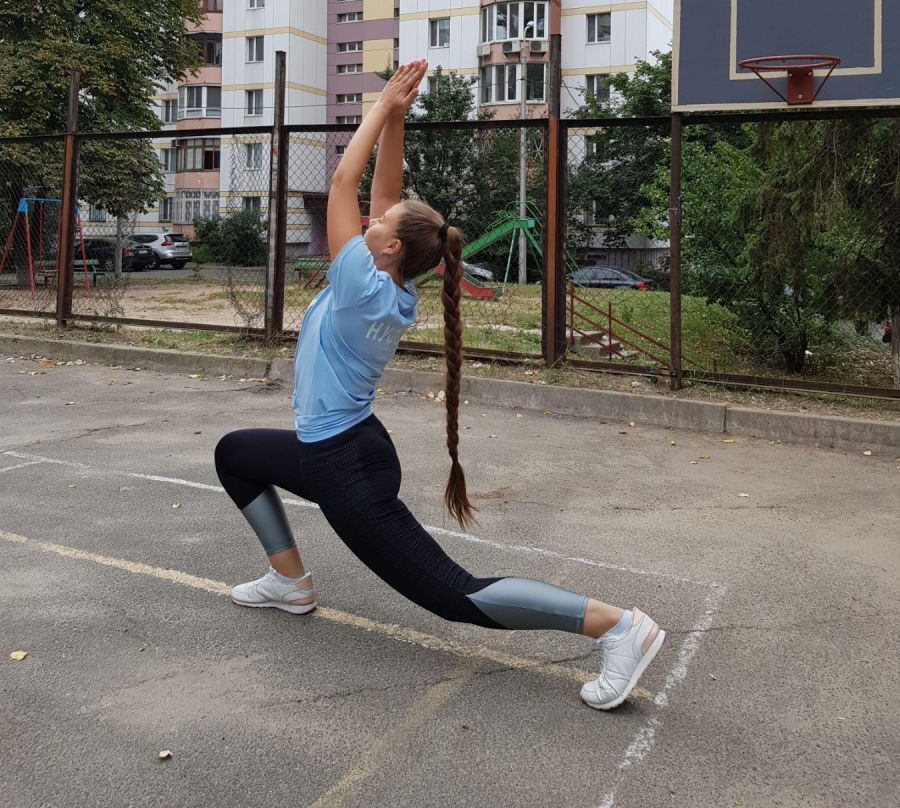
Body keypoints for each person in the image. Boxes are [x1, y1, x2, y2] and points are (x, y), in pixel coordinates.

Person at [214, 61, 665, 710]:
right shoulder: (386, 279)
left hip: (345, 466)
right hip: (351, 445)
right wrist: (397, 117)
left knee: (456, 594)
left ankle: (618, 627)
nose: (370, 220)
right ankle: (290, 582)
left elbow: (343, 182)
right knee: (235, 454)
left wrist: (379, 104)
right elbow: (381, 195)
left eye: (380, 223)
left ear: (391, 248)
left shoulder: (360, 287)